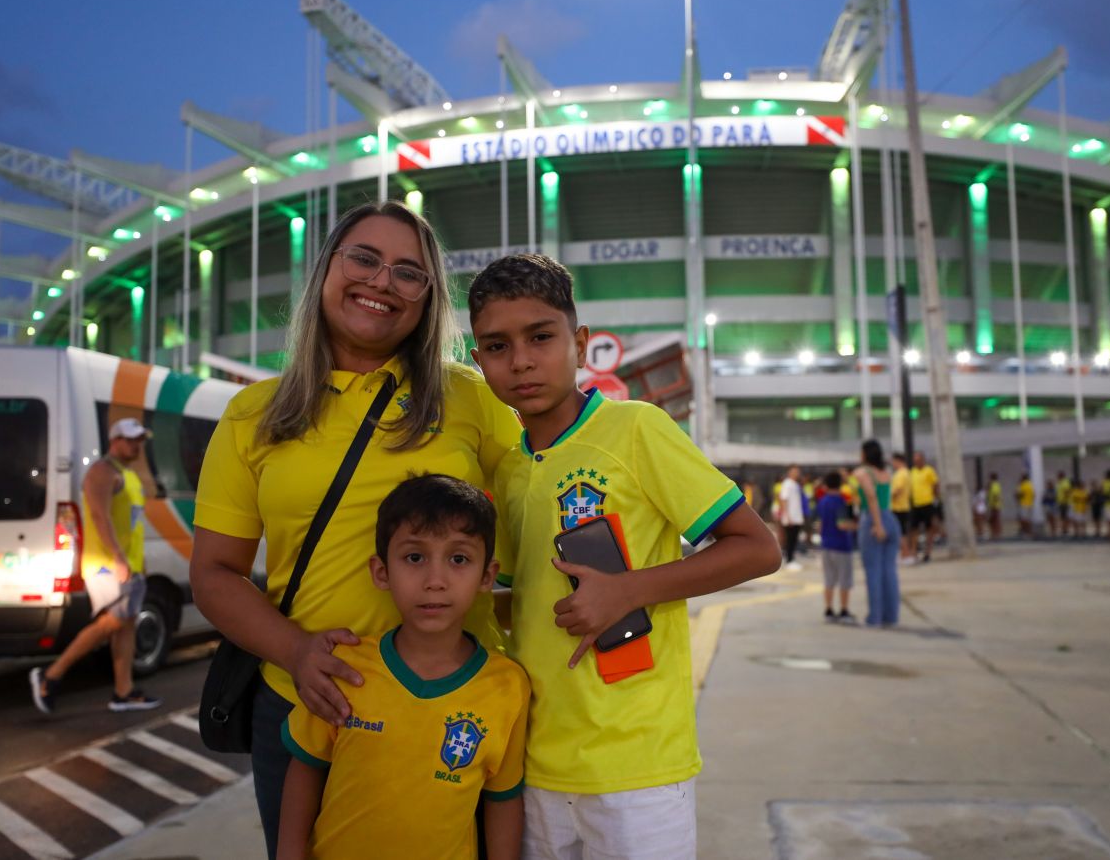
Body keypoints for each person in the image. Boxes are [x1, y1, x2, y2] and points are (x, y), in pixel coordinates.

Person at [189, 201, 521, 858]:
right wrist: (294, 650)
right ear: (328, 270)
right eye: (364, 258)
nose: (380, 282)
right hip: (310, 705)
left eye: (408, 272)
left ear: (428, 299)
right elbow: (214, 573)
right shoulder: (251, 414)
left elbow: (534, 515)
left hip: (455, 707)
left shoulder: (470, 398)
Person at [468, 253, 781, 860]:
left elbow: (756, 547)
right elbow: (521, 599)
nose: (522, 360)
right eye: (497, 347)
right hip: (532, 759)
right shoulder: (506, 471)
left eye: (541, 337)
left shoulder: (638, 429)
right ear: (479, 362)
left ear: (579, 343)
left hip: (638, 766)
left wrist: (627, 590)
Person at [277, 475, 528, 860]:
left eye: (458, 559)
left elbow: (503, 799)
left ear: (487, 577)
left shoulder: (507, 686)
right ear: (381, 572)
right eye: (414, 557)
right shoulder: (346, 668)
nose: (435, 581)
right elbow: (306, 768)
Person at [29, 417, 161, 714]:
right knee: (112, 622)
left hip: (127, 563)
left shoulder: (126, 474)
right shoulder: (102, 472)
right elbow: (100, 517)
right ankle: (50, 675)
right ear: (114, 441)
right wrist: (118, 557)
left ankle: (123, 691)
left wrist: (139, 562)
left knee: (125, 625)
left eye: (140, 440)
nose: (137, 445)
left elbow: (131, 524)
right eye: (130, 440)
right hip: (107, 565)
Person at [854, 439, 901, 627]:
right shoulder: (886, 473)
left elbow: (871, 497)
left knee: (873, 571)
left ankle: (874, 617)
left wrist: (877, 524)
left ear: (865, 453)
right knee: (889, 570)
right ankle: (891, 615)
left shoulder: (862, 472)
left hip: (872, 520)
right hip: (891, 518)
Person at [816, 471, 857, 623]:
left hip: (826, 545)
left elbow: (819, 526)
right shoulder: (841, 501)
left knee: (829, 580)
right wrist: (856, 526)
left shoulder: (822, 501)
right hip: (841, 545)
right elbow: (842, 524)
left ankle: (828, 609)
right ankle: (844, 610)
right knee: (844, 581)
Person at [909, 451, 939, 562]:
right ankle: (914, 552)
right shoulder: (912, 472)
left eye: (918, 460)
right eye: (915, 460)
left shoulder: (929, 471)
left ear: (923, 460)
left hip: (927, 503)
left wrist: (935, 498)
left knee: (929, 529)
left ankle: (927, 552)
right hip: (916, 504)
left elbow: (935, 485)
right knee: (914, 529)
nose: (916, 462)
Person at [776, 465, 806, 569]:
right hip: (791, 517)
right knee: (790, 539)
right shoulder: (787, 484)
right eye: (794, 471)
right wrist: (787, 516)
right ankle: (789, 560)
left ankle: (791, 558)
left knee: (794, 539)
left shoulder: (796, 484)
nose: (797, 473)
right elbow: (783, 499)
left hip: (797, 516)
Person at [889, 453, 914, 564]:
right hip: (902, 506)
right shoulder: (905, 473)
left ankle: (906, 554)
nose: (892, 464)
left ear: (898, 461)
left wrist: (886, 498)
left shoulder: (901, 474)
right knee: (901, 532)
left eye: (893, 462)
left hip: (899, 507)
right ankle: (904, 554)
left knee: (899, 533)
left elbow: (897, 490)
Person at [1017, 473, 1035, 538]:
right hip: (1030, 504)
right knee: (1027, 519)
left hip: (1023, 504)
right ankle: (1029, 532)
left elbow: (1019, 495)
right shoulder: (1030, 485)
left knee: (1024, 519)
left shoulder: (1023, 485)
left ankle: (1027, 532)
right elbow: (1033, 495)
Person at [1055, 471, 1072, 536]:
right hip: (1061, 502)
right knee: (1063, 517)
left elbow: (1067, 492)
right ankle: (1064, 529)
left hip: (1064, 502)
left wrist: (1064, 500)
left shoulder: (1065, 482)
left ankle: (1065, 530)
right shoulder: (1060, 483)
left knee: (1065, 517)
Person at [987, 472, 1003, 541]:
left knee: (994, 520)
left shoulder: (994, 485)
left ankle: (996, 533)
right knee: (993, 520)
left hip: (995, 505)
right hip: (994, 505)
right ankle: (995, 533)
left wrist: (994, 504)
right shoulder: (995, 485)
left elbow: (996, 495)